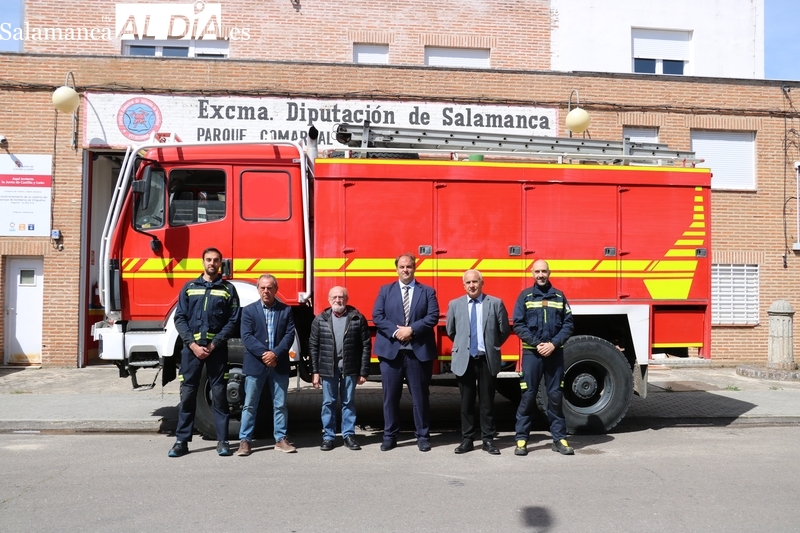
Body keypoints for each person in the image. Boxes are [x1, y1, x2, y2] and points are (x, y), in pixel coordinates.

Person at [170, 247, 241, 458]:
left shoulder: (228, 289)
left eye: (216, 260)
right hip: (191, 351)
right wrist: (192, 345)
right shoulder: (189, 287)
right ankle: (181, 442)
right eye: (208, 260)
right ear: (202, 262)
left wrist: (214, 344)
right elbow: (179, 318)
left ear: (220, 263)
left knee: (219, 396)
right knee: (188, 395)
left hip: (216, 351)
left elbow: (233, 320)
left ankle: (223, 441)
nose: (212, 263)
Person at [372, 253, 440, 452]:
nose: (405, 270)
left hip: (417, 354)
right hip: (391, 354)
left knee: (420, 398)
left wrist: (411, 330)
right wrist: (396, 332)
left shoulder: (427, 292)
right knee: (390, 398)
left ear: (414, 268)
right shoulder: (385, 291)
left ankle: (423, 436)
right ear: (396, 269)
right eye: (402, 267)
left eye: (409, 266)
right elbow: (377, 316)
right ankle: (390, 436)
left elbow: (433, 316)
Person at [513, 259, 575, 456]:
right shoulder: (525, 296)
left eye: (544, 271)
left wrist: (553, 344)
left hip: (554, 353)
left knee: (555, 397)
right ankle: (521, 439)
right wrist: (537, 343)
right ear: (532, 273)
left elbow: (569, 324)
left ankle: (559, 439)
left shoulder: (559, 296)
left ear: (549, 273)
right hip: (532, 353)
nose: (541, 275)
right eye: (537, 271)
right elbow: (518, 324)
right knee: (528, 396)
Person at [445, 269, 510, 455]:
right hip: (465, 360)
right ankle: (467, 439)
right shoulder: (455, 304)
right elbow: (451, 331)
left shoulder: (495, 303)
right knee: (466, 402)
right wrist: (464, 346)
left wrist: (490, 345)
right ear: (463, 285)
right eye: (468, 282)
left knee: (487, 402)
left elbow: (504, 330)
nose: (472, 285)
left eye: (475, 282)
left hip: (486, 359)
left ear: (482, 283)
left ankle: (488, 439)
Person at [237, 274, 297, 455]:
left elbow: (289, 335)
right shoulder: (248, 311)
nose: (266, 291)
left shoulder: (286, 310)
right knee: (250, 405)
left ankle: (280, 439)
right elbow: (246, 336)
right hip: (256, 364)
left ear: (276, 289)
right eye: (262, 288)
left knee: (280, 405)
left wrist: (275, 354)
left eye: (270, 288)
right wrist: (265, 354)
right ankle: (245, 441)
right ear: (258, 289)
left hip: (279, 364)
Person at [309, 286, 372, 451]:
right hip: (327, 368)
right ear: (329, 300)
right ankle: (328, 437)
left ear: (347, 299)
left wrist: (363, 371)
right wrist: (315, 372)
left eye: (341, 297)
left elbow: (366, 346)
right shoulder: (320, 319)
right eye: (334, 297)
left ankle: (348, 435)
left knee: (348, 402)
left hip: (350, 368)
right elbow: (313, 346)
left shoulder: (357, 318)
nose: (338, 300)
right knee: (328, 403)